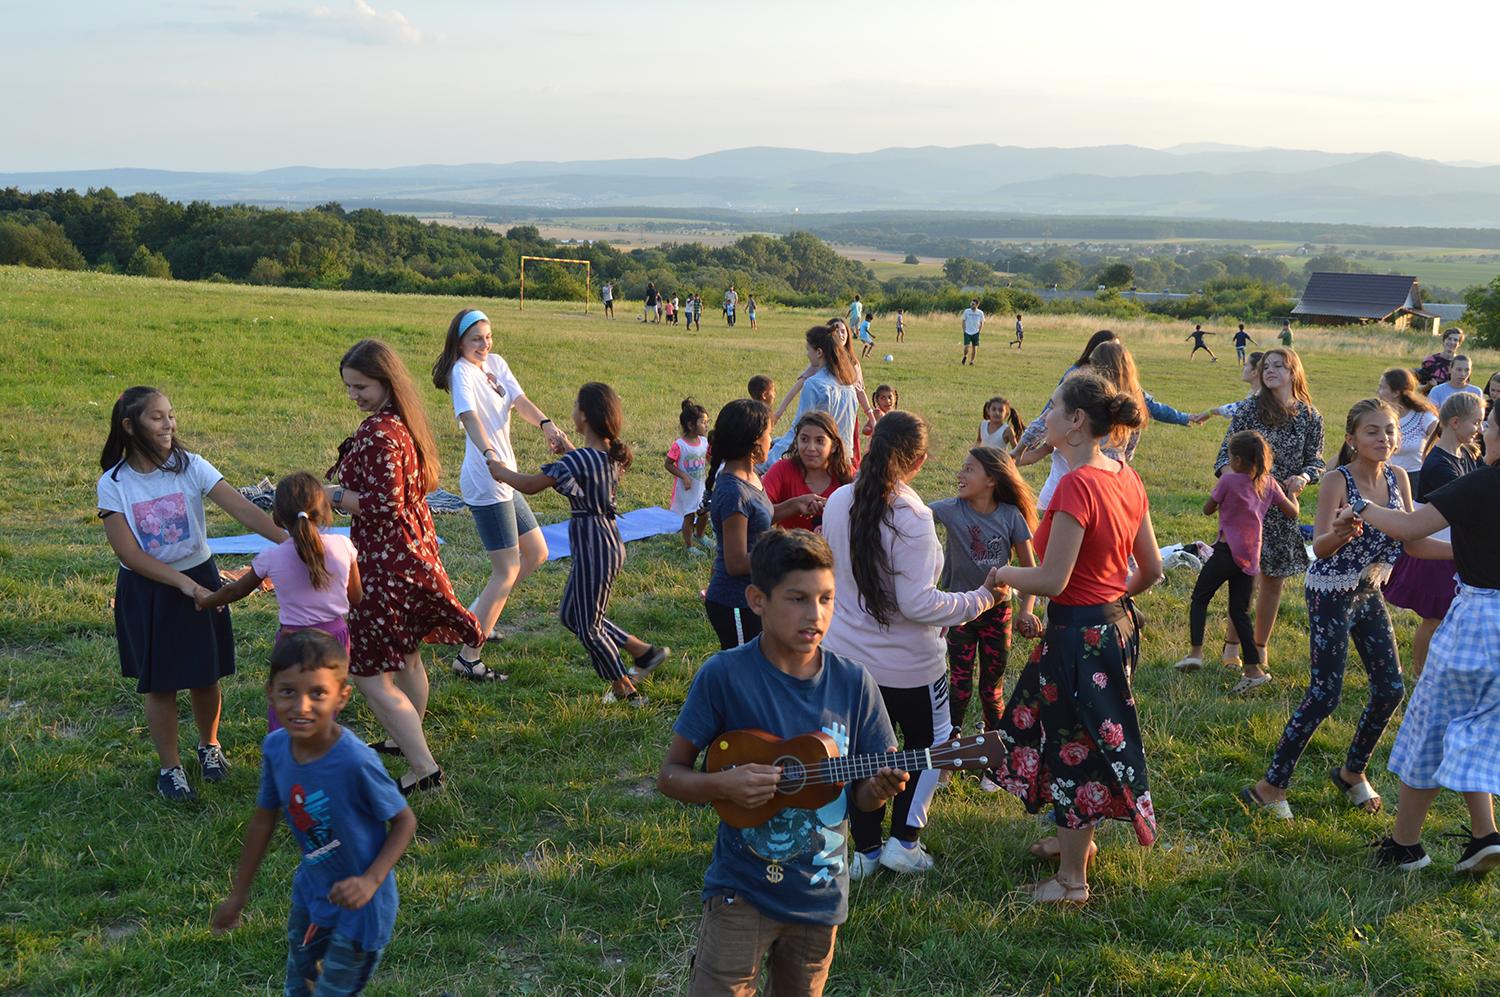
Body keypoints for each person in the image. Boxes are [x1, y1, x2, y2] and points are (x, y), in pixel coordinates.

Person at [658, 529, 905, 997]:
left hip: (818, 895)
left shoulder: (853, 683)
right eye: (797, 599)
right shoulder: (725, 675)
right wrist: (724, 786)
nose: (815, 615)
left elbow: (863, 799)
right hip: (741, 889)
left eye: (827, 599)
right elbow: (671, 776)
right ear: (758, 600)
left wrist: (877, 789)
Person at [985, 372, 1163, 904]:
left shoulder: (1077, 484)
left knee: (1071, 750)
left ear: (1077, 422)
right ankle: (1075, 847)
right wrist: (1108, 603)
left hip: (1078, 639)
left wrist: (1002, 575)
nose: (1046, 419)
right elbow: (1151, 570)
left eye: (1055, 410)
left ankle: (1071, 881)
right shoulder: (1124, 474)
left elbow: (1051, 579)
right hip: (1115, 628)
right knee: (1081, 738)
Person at [1241, 399, 1450, 820]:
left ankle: (1353, 772)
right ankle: (1270, 786)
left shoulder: (1398, 478)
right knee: (1325, 693)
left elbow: (1410, 540)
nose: (1383, 438)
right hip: (1330, 592)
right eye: (1372, 431)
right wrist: (1340, 532)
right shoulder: (1338, 480)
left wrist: (1463, 552)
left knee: (1391, 688)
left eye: (1389, 430)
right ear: (1352, 438)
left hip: (1368, 590)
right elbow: (1318, 547)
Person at [822, 412, 1008, 878]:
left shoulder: (838, 499)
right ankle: (903, 841)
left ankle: (863, 851)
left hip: (845, 660)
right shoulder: (913, 517)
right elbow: (918, 604)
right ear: (919, 461)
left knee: (860, 753)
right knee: (932, 746)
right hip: (910, 666)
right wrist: (982, 599)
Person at [98, 386, 286, 801]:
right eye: (157, 417)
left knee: (205, 675)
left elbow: (243, 509)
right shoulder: (114, 484)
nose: (169, 424)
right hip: (148, 589)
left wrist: (292, 540)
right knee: (160, 685)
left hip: (199, 573)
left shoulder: (191, 466)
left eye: (171, 415)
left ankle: (210, 746)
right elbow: (128, 552)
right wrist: (186, 585)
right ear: (129, 426)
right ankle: (171, 767)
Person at [211, 631, 416, 996]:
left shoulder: (355, 761)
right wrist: (238, 894)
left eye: (317, 693)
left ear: (341, 697)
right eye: (288, 691)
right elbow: (264, 819)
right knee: (298, 985)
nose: (301, 706)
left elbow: (403, 821)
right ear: (270, 693)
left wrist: (369, 881)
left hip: (362, 913)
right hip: (311, 897)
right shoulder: (276, 748)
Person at [1344, 402, 1500, 875]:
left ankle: (1405, 845)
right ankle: (1484, 835)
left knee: (1430, 729)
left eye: (1491, 423)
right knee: (1472, 728)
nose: (1483, 430)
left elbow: (1411, 527)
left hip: (1479, 624)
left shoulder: (1483, 483)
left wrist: (1358, 505)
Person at [328, 339, 482, 794]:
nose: (354, 395)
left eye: (361, 386)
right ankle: (406, 736)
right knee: (409, 655)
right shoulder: (403, 422)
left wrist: (330, 495)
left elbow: (382, 505)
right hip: (413, 553)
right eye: (349, 387)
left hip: (384, 564)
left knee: (368, 672)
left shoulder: (379, 433)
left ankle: (423, 770)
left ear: (385, 380)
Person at [488, 383, 670, 706]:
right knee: (573, 616)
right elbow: (584, 463)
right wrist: (568, 447)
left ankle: (626, 691)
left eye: (575, 405)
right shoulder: (607, 456)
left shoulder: (582, 460)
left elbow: (530, 486)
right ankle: (644, 652)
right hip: (606, 543)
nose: (571, 410)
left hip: (594, 546)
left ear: (584, 415)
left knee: (588, 628)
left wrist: (501, 472)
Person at [432, 309, 564, 680]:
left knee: (536, 552)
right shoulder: (461, 372)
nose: (484, 344)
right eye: (476, 339)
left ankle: (476, 620)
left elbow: (519, 400)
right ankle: (468, 655)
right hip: (486, 480)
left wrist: (546, 425)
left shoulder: (497, 363)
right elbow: (470, 417)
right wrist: (489, 452)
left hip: (506, 475)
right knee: (506, 569)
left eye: (488, 337)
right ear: (460, 342)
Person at [195, 472, 362, 732]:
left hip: (292, 642)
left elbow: (235, 591)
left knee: (288, 702)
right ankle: (320, 749)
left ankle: (284, 753)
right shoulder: (344, 545)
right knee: (324, 699)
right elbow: (356, 598)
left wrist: (206, 600)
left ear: (276, 517)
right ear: (326, 511)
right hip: (335, 639)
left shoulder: (271, 557)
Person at [1213, 347, 1325, 674]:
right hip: (1248, 509)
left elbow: (1315, 461)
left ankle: (1260, 646)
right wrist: (1238, 486)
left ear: (1294, 373)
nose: (1270, 370)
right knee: (1243, 578)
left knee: (1274, 578)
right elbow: (1223, 457)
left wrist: (1303, 477)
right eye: (1266, 366)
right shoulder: (1249, 409)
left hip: (1282, 507)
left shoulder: (1310, 416)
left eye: (1279, 366)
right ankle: (1234, 645)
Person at [931, 446, 1038, 767]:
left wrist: (1026, 610)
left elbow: (1030, 570)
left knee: (992, 691)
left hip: (997, 614)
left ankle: (996, 760)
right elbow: (910, 513)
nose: (959, 475)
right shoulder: (950, 509)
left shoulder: (1011, 517)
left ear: (991, 478)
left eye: (968, 470)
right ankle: (950, 758)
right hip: (959, 612)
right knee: (958, 687)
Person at [1174, 432, 1298, 686]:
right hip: (1251, 559)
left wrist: (1220, 499)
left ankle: (1196, 653)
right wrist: (1294, 492)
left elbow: (1207, 509)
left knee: (1200, 598)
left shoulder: (1228, 481)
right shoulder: (1270, 484)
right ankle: (1253, 670)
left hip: (1226, 552)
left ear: (1238, 460)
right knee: (1239, 612)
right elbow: (1292, 512)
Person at [704, 399, 822, 649]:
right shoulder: (733, 492)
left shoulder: (751, 476)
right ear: (755, 443)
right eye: (769, 434)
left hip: (754, 596)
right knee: (742, 674)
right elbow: (735, 563)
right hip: (734, 602)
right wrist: (785, 546)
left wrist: (796, 503)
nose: (773, 440)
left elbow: (759, 518)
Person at [1381, 392, 1482, 677]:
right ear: (1454, 422)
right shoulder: (1439, 464)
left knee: (1449, 615)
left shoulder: (1464, 454)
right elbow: (1467, 504)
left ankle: (1441, 667)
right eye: (1475, 422)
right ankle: (1418, 671)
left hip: (1453, 545)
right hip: (1436, 549)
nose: (1480, 429)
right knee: (1435, 617)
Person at [768, 326, 862, 465]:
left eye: (808, 349)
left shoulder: (814, 384)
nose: (807, 354)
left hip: (818, 463)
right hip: (843, 462)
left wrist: (766, 461)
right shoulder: (849, 387)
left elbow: (799, 430)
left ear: (819, 352)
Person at [763, 411, 852, 533]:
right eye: (804, 439)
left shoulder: (847, 476)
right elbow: (758, 515)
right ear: (796, 441)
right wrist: (795, 505)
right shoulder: (781, 470)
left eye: (819, 441)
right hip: (790, 550)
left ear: (834, 446)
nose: (811, 448)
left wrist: (834, 506)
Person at [1376, 367, 1438, 495]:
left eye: (1382, 387)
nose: (1378, 392)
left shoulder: (1422, 416)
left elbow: (1442, 436)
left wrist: (1430, 460)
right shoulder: (1378, 416)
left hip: (1415, 480)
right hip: (1383, 478)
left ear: (1396, 393)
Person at [666, 398, 713, 555]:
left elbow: (708, 458)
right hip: (685, 489)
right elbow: (668, 464)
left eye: (707, 422)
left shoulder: (704, 442)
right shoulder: (679, 445)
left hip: (700, 486)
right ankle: (689, 545)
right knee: (689, 517)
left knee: (704, 513)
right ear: (691, 425)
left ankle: (700, 535)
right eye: (703, 422)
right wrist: (684, 477)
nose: (706, 425)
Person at [960, 299, 984, 366]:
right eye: (971, 303)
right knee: (966, 346)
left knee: (974, 347)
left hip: (976, 332)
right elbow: (963, 321)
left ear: (977, 305)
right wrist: (964, 330)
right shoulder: (967, 311)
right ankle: (965, 356)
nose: (971, 305)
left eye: (973, 304)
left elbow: (982, 322)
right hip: (967, 331)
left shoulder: (980, 313)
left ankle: (972, 361)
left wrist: (979, 331)